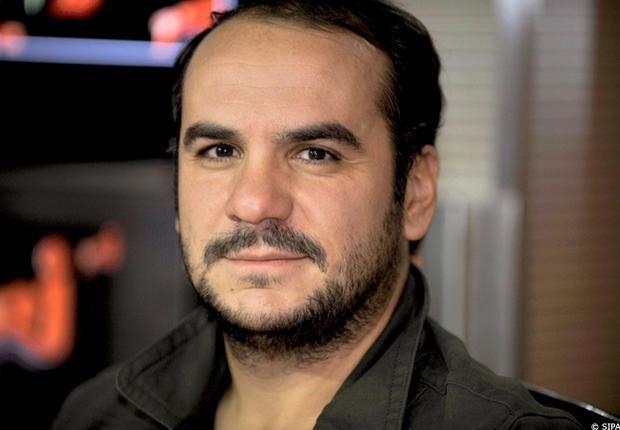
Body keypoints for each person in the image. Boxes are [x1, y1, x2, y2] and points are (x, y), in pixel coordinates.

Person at [53, 1, 582, 428]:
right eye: (219, 151)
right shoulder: (96, 415)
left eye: (315, 154)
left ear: (416, 194)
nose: (254, 203)